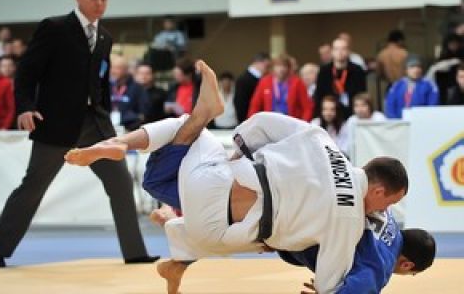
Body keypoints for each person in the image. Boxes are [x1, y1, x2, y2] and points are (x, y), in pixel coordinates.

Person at [65, 60, 408, 294]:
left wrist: (238, 152)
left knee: (187, 136)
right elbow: (332, 277)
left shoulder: (324, 141)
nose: (381, 211)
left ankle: (123, 141)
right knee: (269, 240)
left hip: (218, 179)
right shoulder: (349, 220)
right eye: (388, 203)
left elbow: (262, 121)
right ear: (377, 190)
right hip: (218, 229)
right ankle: (175, 248)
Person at [0, 0, 158, 268]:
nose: (99, 3)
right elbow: (27, 72)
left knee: (119, 183)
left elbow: (101, 83)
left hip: (96, 126)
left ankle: (134, 252)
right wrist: (25, 107)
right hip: (55, 124)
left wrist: (105, 118)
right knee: (33, 187)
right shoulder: (54, 28)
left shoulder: (105, 37)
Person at [278, 210, 435, 294]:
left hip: (304, 209)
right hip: (290, 235)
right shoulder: (380, 268)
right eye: (412, 273)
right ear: (407, 265)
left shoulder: (386, 211)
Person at [248, 54, 313, 121]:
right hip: (270, 121)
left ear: (288, 68)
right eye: (278, 66)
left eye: (284, 66)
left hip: (291, 122)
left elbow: (307, 107)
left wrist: (304, 123)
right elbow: (255, 105)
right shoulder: (265, 82)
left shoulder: (297, 82)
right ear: (273, 67)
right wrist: (252, 121)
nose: (281, 69)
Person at [313, 38, 367, 118]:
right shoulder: (324, 71)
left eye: (343, 49)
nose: (340, 52)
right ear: (332, 52)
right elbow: (319, 95)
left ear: (349, 51)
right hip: (330, 114)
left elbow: (362, 94)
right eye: (337, 49)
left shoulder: (357, 70)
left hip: (352, 113)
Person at [109, 54, 149, 130]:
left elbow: (143, 114)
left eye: (118, 68)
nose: (113, 71)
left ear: (126, 70)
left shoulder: (137, 88)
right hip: (108, 128)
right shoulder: (107, 86)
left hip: (129, 128)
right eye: (112, 67)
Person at [233, 52, 271, 124]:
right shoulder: (244, 80)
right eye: (267, 66)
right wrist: (245, 123)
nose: (268, 69)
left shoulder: (262, 79)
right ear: (258, 63)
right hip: (248, 121)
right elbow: (240, 104)